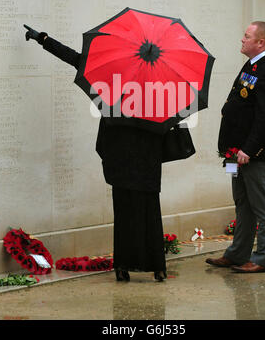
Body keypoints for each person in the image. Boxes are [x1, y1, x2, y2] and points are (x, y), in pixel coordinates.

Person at [24, 25, 167, 282]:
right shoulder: (161, 85)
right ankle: (157, 267)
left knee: (124, 213)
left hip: (121, 155)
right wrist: (46, 40)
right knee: (149, 211)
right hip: (146, 159)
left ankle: (124, 267)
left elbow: (77, 60)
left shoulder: (112, 78)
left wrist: (44, 39)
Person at [206, 21, 265, 273]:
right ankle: (237, 254)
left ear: (261, 42)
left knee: (263, 206)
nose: (242, 40)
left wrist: (249, 150)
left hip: (253, 154)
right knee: (242, 202)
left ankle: (263, 259)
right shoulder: (253, 63)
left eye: (247, 36)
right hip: (234, 154)